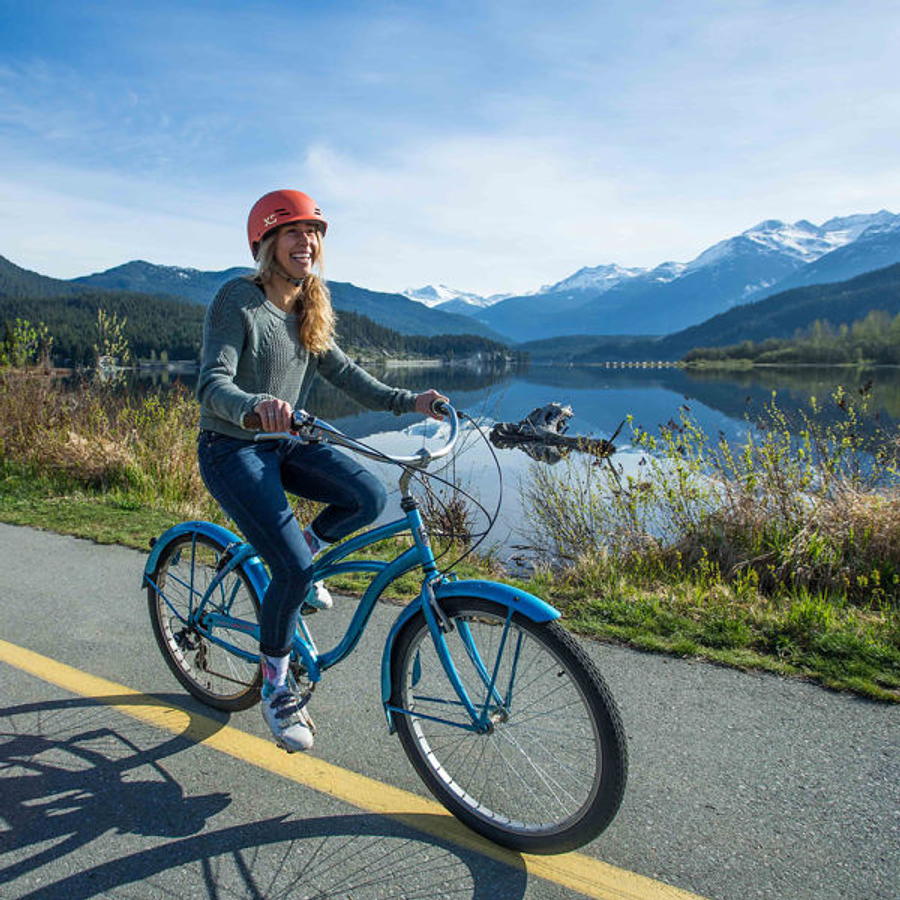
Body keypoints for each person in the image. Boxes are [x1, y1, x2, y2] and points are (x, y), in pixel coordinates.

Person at [196, 189, 446, 753]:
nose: (306, 243)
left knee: (367, 494)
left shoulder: (310, 305)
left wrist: (412, 399)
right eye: (293, 233)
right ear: (266, 242)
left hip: (281, 444)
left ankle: (303, 561)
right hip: (232, 446)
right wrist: (253, 405)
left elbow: (349, 375)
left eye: (313, 234)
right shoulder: (238, 299)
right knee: (289, 567)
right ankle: (277, 689)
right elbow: (212, 383)